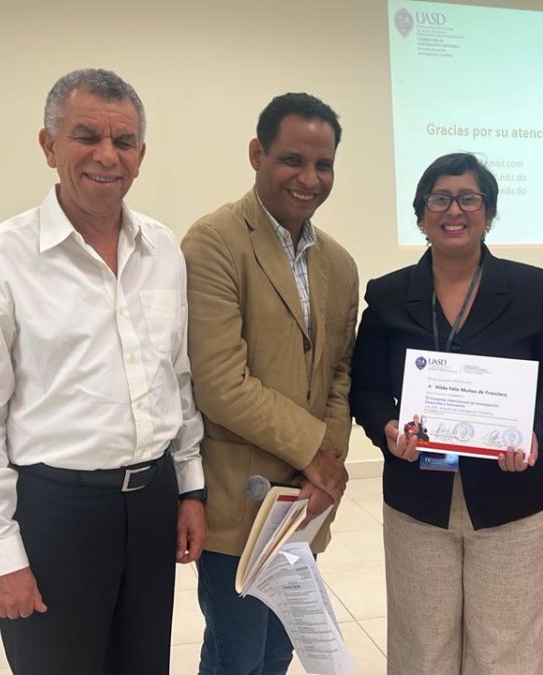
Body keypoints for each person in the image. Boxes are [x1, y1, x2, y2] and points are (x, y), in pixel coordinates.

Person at [0, 68, 207, 675]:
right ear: (49, 146)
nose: (106, 156)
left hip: (151, 502)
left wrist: (189, 489)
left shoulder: (162, 250)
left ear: (141, 155)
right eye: (86, 136)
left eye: (124, 141)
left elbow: (177, 380)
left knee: (143, 664)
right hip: (55, 511)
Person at [349, 153, 543, 674]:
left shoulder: (530, 289)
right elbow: (366, 388)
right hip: (418, 498)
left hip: (512, 498)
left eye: (469, 198)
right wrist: (387, 427)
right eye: (440, 199)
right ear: (421, 213)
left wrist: (535, 436)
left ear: (489, 212)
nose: (454, 210)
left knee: (504, 652)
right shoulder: (388, 295)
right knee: (422, 648)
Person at [181, 92, 359, 675]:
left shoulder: (339, 263)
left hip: (303, 503)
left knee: (280, 652)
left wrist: (324, 465)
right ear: (257, 154)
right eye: (292, 160)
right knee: (236, 656)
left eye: (323, 164)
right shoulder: (214, 242)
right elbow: (219, 383)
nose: (309, 179)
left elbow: (339, 372)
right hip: (240, 500)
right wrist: (315, 455)